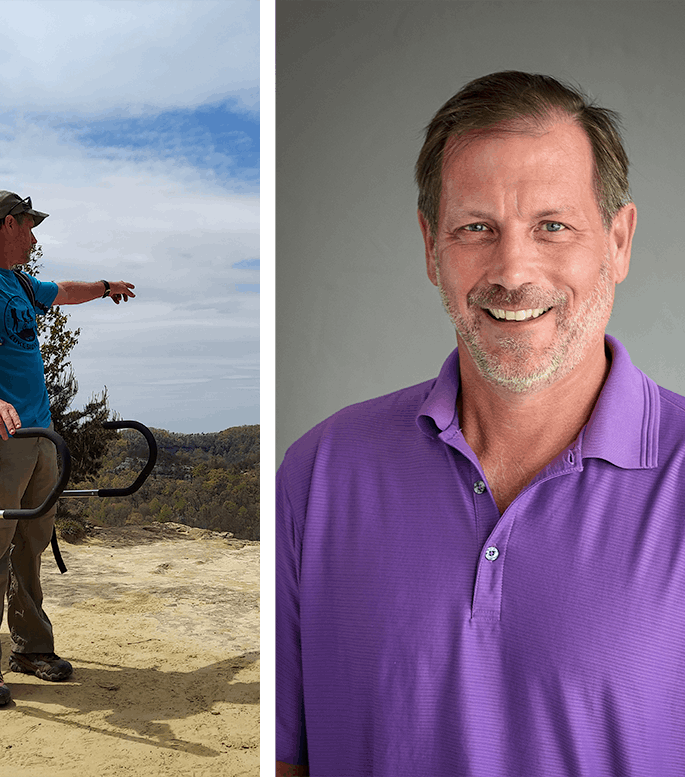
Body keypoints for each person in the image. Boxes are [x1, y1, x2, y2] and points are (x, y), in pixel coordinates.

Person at [276, 71, 685, 776]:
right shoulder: (317, 476)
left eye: (552, 226)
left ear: (618, 241)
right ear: (431, 244)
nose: (512, 269)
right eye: (476, 228)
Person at [0, 189, 135, 708]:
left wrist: (106, 286)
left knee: (31, 549)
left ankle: (32, 649)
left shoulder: (20, 282)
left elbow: (62, 290)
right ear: (6, 224)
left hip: (40, 439)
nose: (35, 236)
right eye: (29, 225)